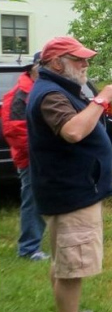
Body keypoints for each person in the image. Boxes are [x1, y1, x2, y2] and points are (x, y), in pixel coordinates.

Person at [26, 36, 112, 312]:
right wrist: (101, 100)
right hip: (71, 191)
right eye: (78, 59)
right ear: (56, 63)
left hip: (70, 187)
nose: (85, 64)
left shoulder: (58, 88)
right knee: (72, 266)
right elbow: (73, 131)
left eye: (85, 58)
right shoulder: (50, 94)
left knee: (63, 260)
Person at [1, 52, 49, 261]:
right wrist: (44, 151)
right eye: (43, 66)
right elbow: (16, 132)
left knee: (44, 198)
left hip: (43, 155)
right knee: (33, 200)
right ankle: (29, 249)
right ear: (33, 68)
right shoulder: (21, 94)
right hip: (31, 158)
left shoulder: (38, 89)